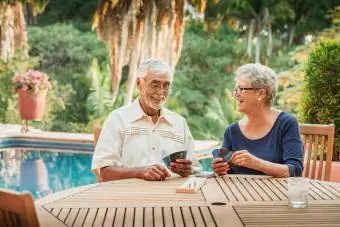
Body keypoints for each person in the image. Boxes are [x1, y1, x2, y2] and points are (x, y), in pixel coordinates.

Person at [91, 59, 200, 182]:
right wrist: (139, 172)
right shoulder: (118, 119)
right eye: (155, 84)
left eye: (166, 85)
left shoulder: (180, 123)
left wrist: (187, 170)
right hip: (129, 198)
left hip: (172, 198)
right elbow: (104, 172)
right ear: (139, 83)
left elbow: (195, 169)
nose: (160, 92)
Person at [212, 63, 304, 177]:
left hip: (277, 193)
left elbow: (294, 170)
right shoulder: (232, 131)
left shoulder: (286, 123)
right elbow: (227, 172)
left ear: (261, 93)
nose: (236, 94)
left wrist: (257, 164)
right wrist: (220, 169)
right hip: (238, 193)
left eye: (241, 89)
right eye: (236, 90)